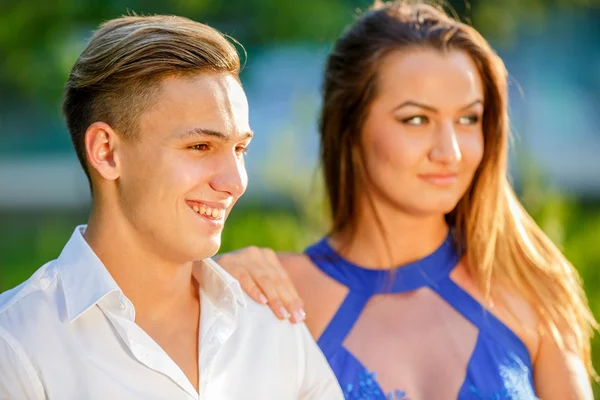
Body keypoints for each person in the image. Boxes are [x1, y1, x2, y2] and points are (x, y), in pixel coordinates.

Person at [216, 1, 597, 399]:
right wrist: (209, 285)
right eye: (416, 119)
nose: (449, 151)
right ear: (350, 127)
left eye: (468, 118)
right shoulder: (275, 295)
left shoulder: (529, 290)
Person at [0, 15, 343, 400]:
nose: (234, 182)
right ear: (107, 152)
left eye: (239, 149)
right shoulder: (16, 346)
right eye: (200, 147)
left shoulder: (272, 322)